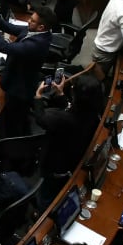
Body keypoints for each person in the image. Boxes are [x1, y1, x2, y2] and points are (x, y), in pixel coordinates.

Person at [0, 6, 56, 138]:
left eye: (33, 21)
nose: (28, 21)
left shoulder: (36, 44)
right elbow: (12, 28)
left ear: (41, 27)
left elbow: (4, 47)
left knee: (14, 122)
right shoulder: (36, 32)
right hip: (17, 78)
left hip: (19, 89)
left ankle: (10, 144)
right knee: (15, 117)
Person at [33, 74, 105, 205]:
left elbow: (41, 119)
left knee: (46, 196)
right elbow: (74, 109)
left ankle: (40, 211)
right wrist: (61, 94)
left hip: (55, 167)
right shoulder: (94, 114)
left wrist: (38, 97)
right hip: (72, 159)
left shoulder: (63, 120)